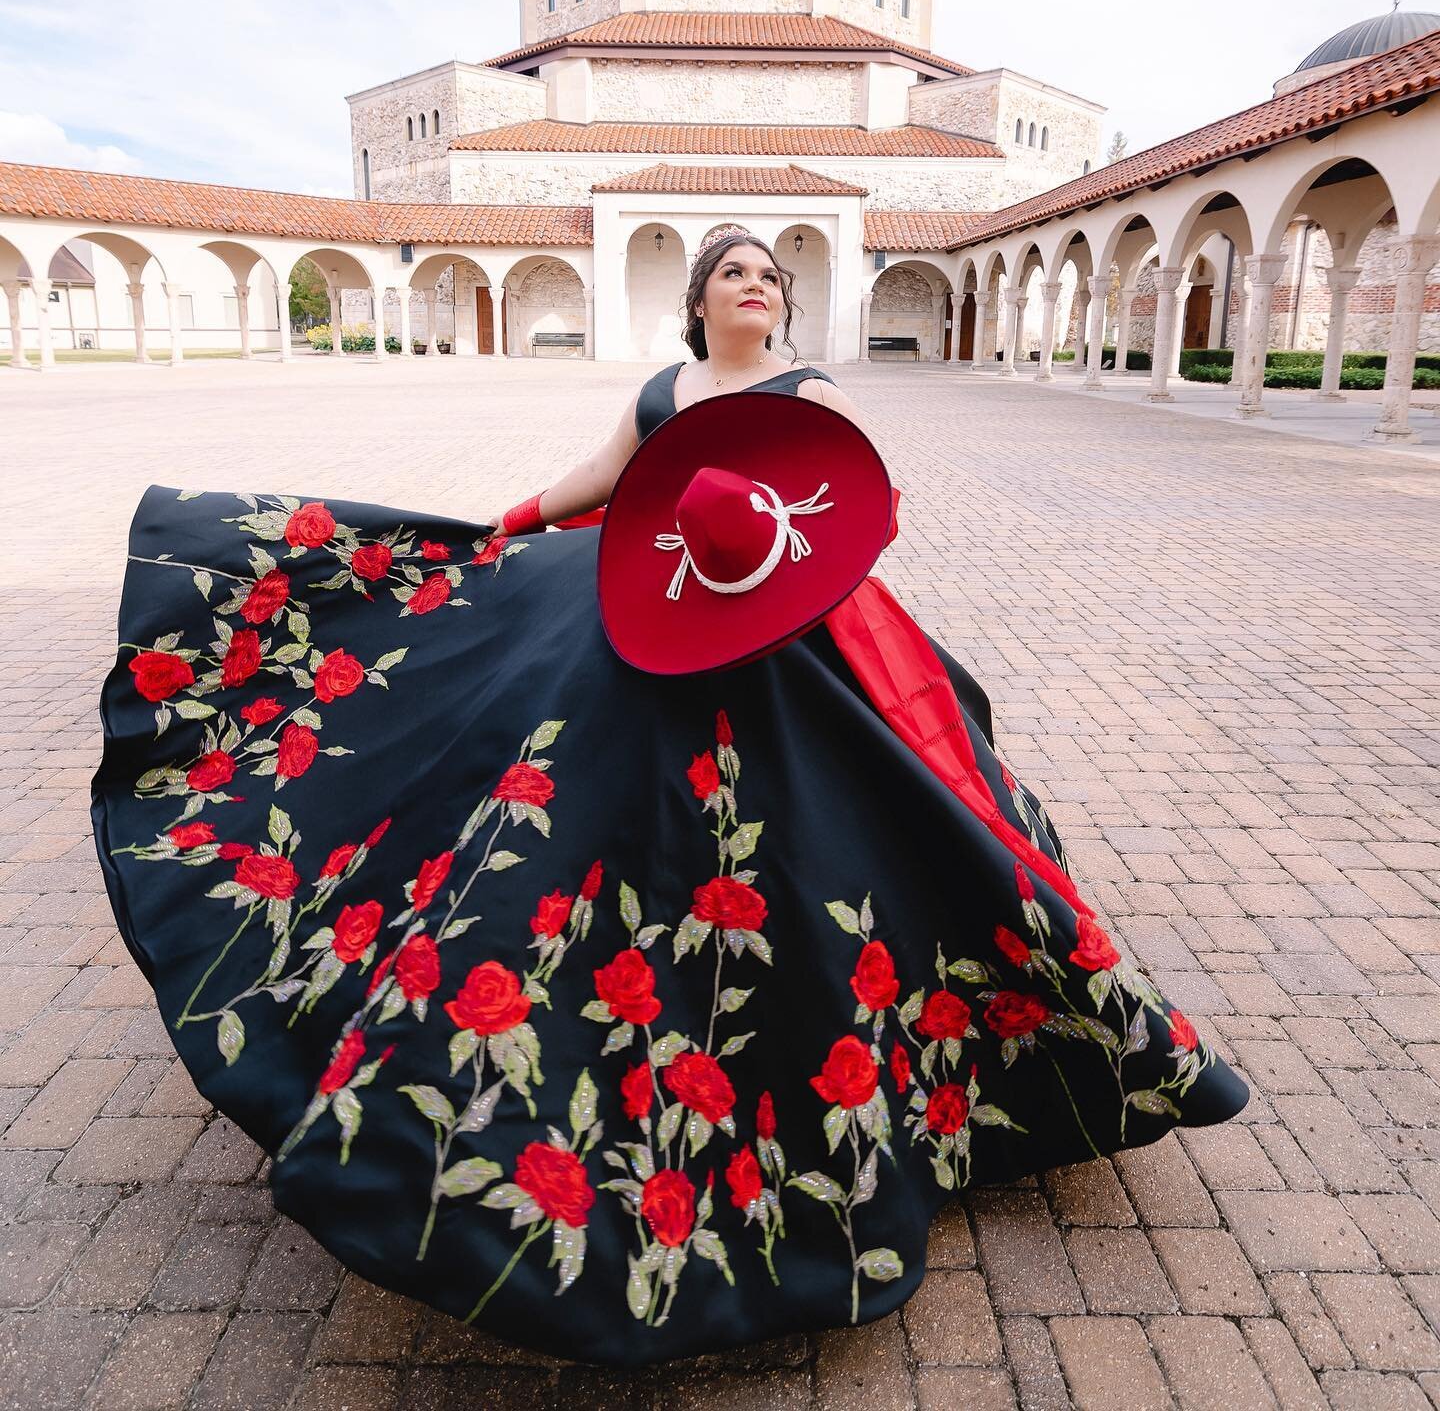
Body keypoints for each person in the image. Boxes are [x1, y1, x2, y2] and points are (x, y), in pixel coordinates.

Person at [92, 223, 1248, 1367]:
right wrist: (501, 529)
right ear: (699, 301)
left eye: (771, 278)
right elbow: (597, 483)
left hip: (784, 636)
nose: (758, 287)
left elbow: (841, 523)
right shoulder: (662, 389)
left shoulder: (814, 395)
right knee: (545, 760)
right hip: (636, 614)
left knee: (859, 820)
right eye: (736, 274)